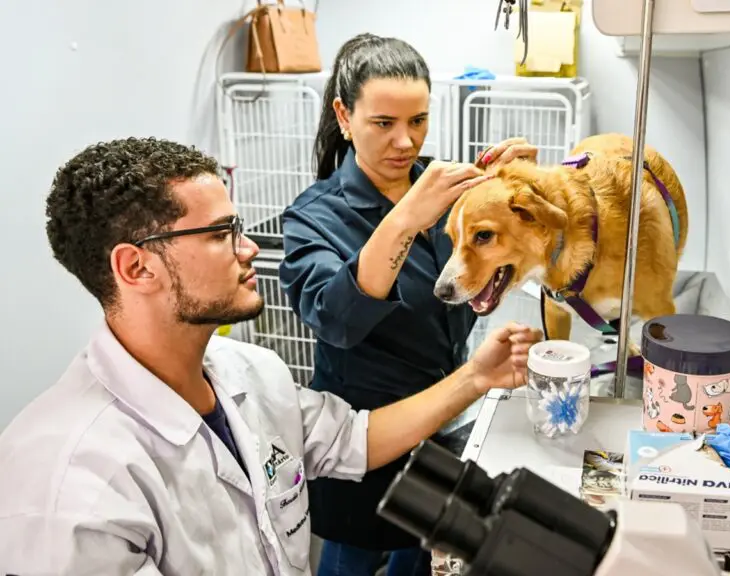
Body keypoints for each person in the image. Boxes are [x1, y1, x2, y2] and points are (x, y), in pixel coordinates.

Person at [0, 137, 541, 576]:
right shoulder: (71, 484)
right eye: (220, 233)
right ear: (137, 268)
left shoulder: (249, 372)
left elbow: (356, 437)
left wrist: (477, 376)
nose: (249, 246)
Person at [278, 33, 538, 576]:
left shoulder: (449, 194)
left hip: (443, 426)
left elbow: (493, 266)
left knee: (419, 559)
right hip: (360, 448)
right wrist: (403, 220)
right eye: (384, 123)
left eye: (418, 121)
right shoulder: (313, 218)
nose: (406, 142)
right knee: (353, 561)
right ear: (344, 116)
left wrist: (523, 189)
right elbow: (337, 319)